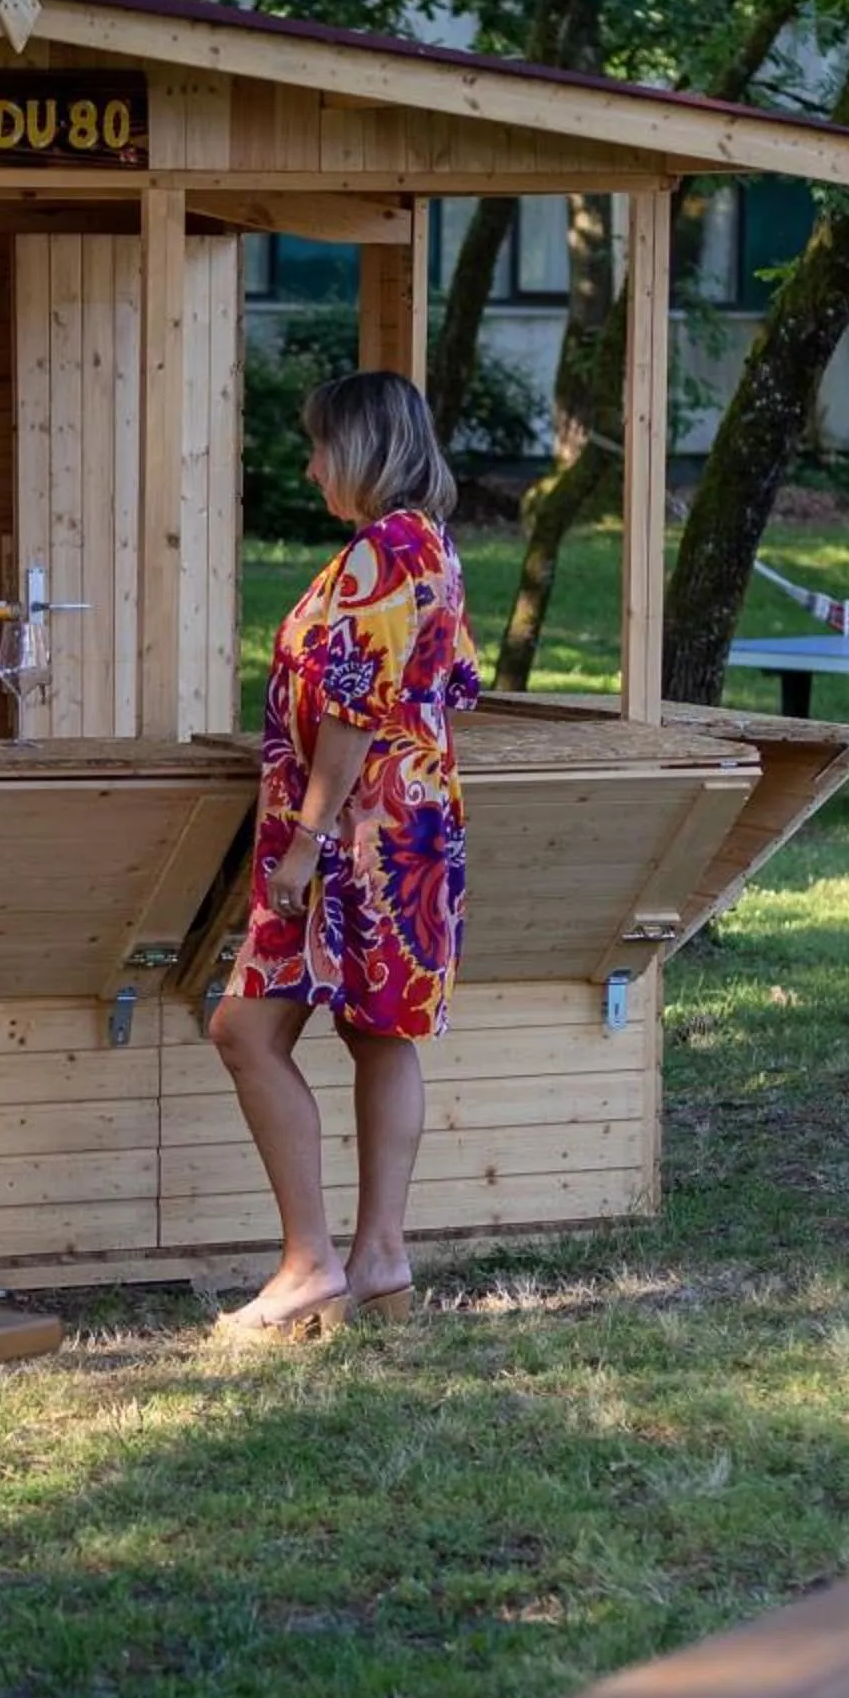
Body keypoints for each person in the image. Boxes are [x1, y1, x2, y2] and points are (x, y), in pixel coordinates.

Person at [208, 370, 481, 1342]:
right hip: (411, 829)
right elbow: (453, 688)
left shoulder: (379, 554)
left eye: (320, 446)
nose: (311, 464)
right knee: (379, 1035)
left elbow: (356, 711)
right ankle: (378, 1258)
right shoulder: (431, 548)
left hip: (350, 840)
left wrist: (306, 842)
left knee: (244, 1031)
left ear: (361, 449)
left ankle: (308, 1263)